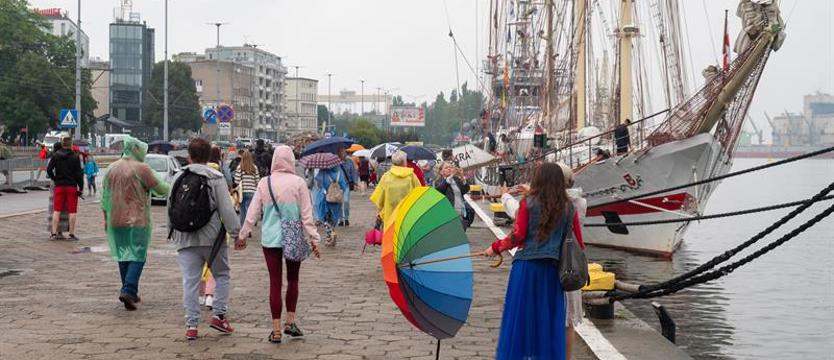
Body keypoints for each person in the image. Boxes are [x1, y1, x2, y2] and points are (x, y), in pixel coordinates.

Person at [484, 163, 583, 360]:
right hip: (552, 273)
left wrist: (495, 248)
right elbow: (578, 242)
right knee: (548, 320)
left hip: (526, 270)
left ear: (537, 180)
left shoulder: (527, 203)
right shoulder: (568, 207)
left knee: (521, 319)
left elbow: (518, 235)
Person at [237, 145, 321, 344]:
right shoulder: (299, 183)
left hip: (270, 238)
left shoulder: (265, 183)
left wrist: (243, 235)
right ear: (291, 161)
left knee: (275, 282)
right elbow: (307, 215)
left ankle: (275, 330)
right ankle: (290, 322)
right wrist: (314, 239)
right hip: (293, 235)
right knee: (293, 280)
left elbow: (252, 212)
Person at [168, 138, 242, 340]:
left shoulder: (178, 177)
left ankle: (191, 325)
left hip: (185, 238)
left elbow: (170, 206)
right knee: (222, 274)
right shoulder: (215, 177)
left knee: (190, 281)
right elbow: (226, 210)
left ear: (189, 156)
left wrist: (172, 232)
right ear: (209, 156)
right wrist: (236, 233)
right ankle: (218, 315)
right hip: (212, 239)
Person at [100, 136, 170, 310]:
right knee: (138, 255)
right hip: (137, 219)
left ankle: (129, 290)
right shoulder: (142, 169)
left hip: (115, 218)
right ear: (137, 150)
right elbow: (161, 189)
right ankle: (129, 289)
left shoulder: (111, 169)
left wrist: (105, 217)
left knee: (123, 254)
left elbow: (104, 197)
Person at [370, 150, 421, 226]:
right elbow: (419, 193)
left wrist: (379, 214)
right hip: (407, 214)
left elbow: (379, 199)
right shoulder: (411, 176)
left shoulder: (386, 177)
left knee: (391, 236)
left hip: (389, 215)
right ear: (404, 162)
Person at [47, 137, 84, 241]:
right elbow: (79, 174)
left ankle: (54, 234)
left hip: (59, 186)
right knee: (72, 211)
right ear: (71, 144)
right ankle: (71, 234)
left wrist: (55, 179)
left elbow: (49, 169)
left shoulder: (56, 156)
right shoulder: (75, 157)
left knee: (57, 210)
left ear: (63, 144)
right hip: (71, 186)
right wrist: (80, 188)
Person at [312, 162, 348, 246]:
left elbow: (318, 183)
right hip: (336, 199)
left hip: (325, 198)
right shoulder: (339, 172)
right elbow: (344, 186)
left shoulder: (323, 172)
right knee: (333, 219)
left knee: (325, 218)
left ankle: (331, 233)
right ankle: (329, 238)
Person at [434, 162, 473, 231]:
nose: (449, 169)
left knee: (460, 234)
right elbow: (440, 190)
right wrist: (451, 176)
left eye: (451, 167)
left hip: (460, 211)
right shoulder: (439, 181)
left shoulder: (456, 179)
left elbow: (465, 190)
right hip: (448, 213)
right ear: (441, 172)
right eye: (446, 168)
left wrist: (462, 176)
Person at [234, 151, 260, 226]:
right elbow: (257, 181)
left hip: (242, 192)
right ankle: (249, 229)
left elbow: (237, 180)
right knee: (250, 211)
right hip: (252, 192)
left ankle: (243, 228)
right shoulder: (254, 167)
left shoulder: (240, 167)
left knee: (242, 211)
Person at [338, 149, 358, 227]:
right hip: (338, 185)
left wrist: (355, 182)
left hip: (346, 184)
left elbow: (353, 172)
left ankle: (346, 218)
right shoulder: (336, 162)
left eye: (343, 152)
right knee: (339, 202)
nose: (342, 153)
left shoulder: (349, 161)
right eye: (341, 152)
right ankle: (340, 219)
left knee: (346, 201)